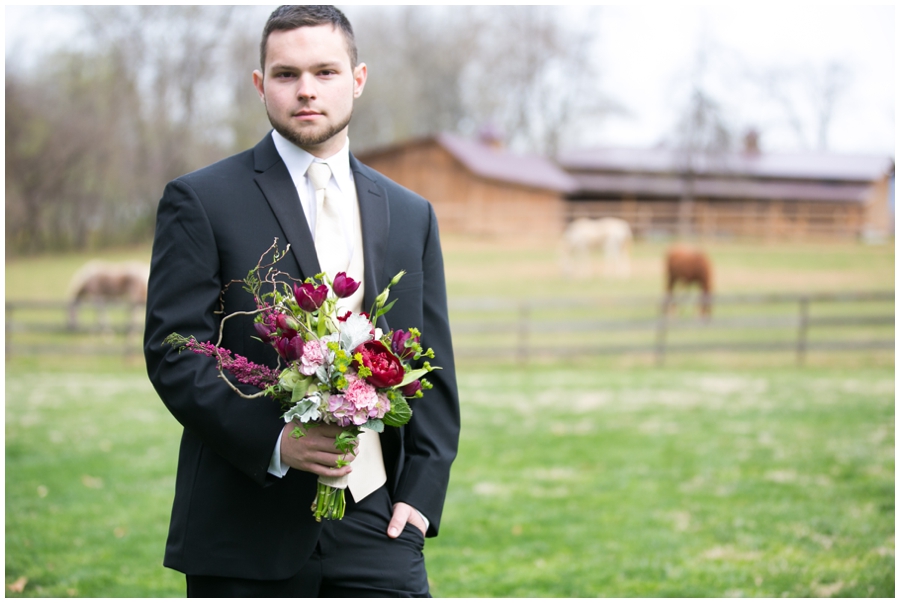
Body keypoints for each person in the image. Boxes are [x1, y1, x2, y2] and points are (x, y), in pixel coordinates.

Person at [143, 5, 460, 597]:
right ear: (261, 85)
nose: (306, 90)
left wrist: (419, 496)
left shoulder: (410, 213)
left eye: (325, 72)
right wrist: (276, 442)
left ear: (358, 79)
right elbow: (173, 350)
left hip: (378, 524)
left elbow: (431, 361)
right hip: (241, 525)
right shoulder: (201, 200)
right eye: (286, 74)